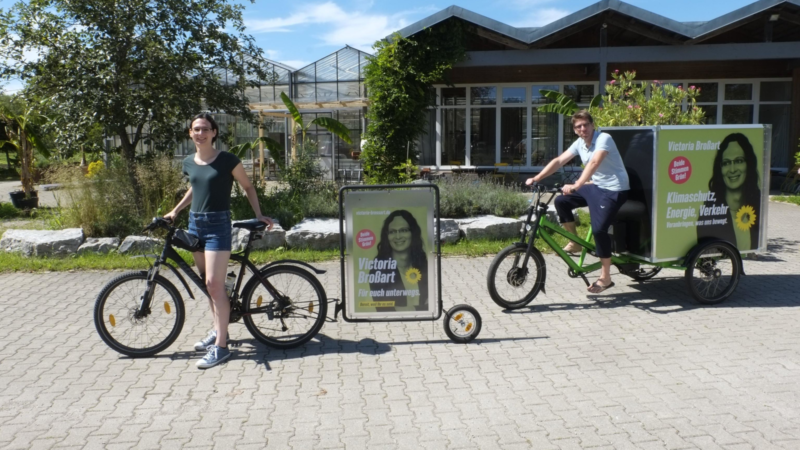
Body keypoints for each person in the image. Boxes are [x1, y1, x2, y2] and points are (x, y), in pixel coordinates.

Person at [164, 113, 273, 369]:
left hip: (217, 226)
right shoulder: (189, 162)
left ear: (214, 133)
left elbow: (247, 186)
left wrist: (258, 214)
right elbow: (196, 187)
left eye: (205, 129)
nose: (200, 133)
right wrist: (176, 210)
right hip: (195, 224)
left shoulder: (227, 160)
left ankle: (221, 347)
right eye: (195, 129)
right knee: (208, 285)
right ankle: (218, 329)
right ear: (190, 133)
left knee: (214, 284)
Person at [526, 110, 630, 294]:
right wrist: (537, 178)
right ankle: (575, 242)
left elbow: (594, 163)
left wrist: (577, 184)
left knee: (599, 230)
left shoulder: (603, 138)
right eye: (578, 126)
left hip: (614, 190)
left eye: (586, 125)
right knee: (561, 201)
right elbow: (559, 160)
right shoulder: (580, 143)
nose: (583, 129)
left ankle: (606, 277)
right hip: (596, 186)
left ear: (592, 125)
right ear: (575, 130)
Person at [697, 133, 761, 250]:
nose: (732, 170)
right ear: (720, 168)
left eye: (739, 161)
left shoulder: (759, 207)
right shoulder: (709, 214)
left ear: (749, 164)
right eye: (726, 163)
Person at [368, 210, 429, 312]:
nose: (398, 236)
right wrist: (419, 309)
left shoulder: (423, 264)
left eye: (404, 230)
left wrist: (407, 309)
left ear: (413, 233)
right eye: (392, 232)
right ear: (386, 236)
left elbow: (430, 303)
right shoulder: (378, 270)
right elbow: (385, 309)